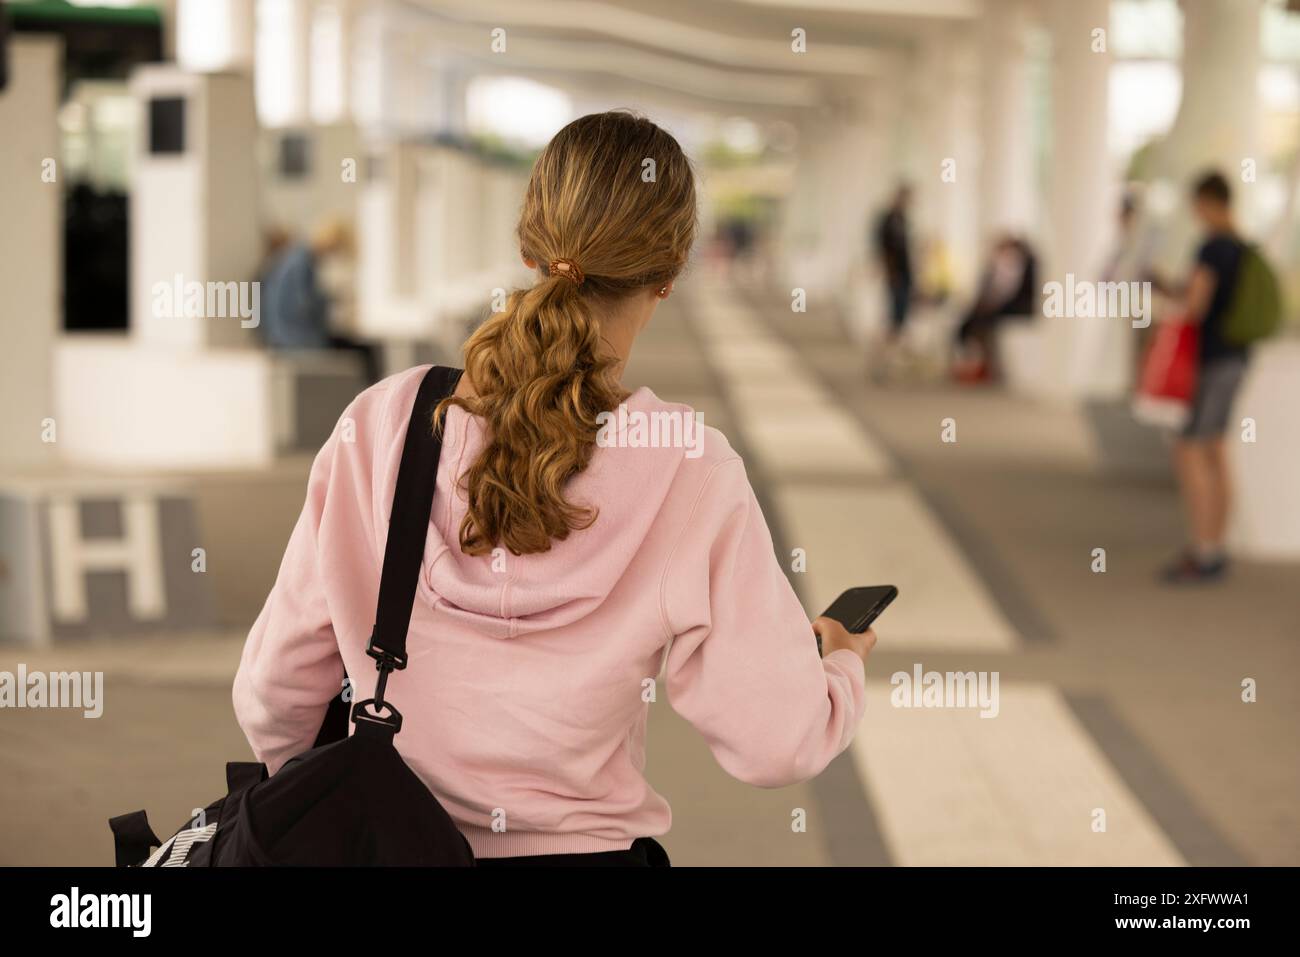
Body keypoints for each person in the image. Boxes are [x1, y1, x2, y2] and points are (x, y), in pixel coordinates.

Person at [233, 112, 875, 866]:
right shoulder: (691, 467)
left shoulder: (385, 424)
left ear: (527, 244)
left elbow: (275, 692)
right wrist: (836, 663)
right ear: (670, 271)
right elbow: (777, 740)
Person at [1153, 171, 1252, 584]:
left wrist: (1168, 291)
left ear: (1208, 202)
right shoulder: (1245, 248)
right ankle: (1215, 545)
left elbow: (1194, 306)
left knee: (1190, 448)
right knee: (1215, 448)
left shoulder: (1212, 248)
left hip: (1210, 360)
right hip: (1236, 358)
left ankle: (1204, 549)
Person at [258, 218, 380, 384]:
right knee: (365, 351)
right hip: (296, 339)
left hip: (283, 336)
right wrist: (328, 301)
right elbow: (303, 304)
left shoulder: (294, 257)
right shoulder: (302, 262)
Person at [952, 234, 1038, 383]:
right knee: (972, 322)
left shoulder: (1012, 263)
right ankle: (978, 363)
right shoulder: (1003, 263)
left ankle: (982, 364)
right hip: (1000, 306)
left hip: (1013, 308)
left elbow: (1006, 291)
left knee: (977, 322)